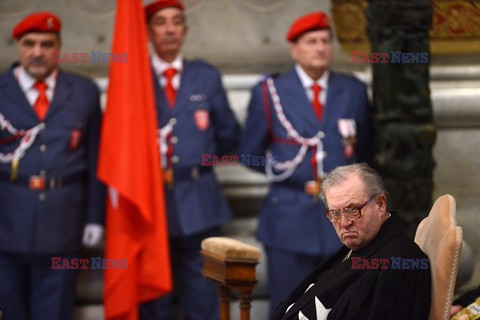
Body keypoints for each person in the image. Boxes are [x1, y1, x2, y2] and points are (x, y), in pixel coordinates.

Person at [238, 11, 373, 314]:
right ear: (294, 49)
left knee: (344, 307)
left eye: (326, 41)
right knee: (288, 306)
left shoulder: (353, 90)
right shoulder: (270, 92)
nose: (321, 47)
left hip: (344, 221)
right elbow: (249, 152)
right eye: (311, 41)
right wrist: (283, 170)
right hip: (288, 219)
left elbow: (365, 151)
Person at [0, 12, 105, 320]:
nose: (37, 51)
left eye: (47, 44)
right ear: (18, 46)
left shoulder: (84, 92)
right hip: (6, 221)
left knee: (56, 312)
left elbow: (96, 157)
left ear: (59, 47)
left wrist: (95, 219)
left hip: (64, 221)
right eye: (29, 43)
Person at [140, 1, 240, 319]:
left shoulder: (205, 76)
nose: (169, 29)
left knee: (202, 290)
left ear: (184, 29)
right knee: (153, 294)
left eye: (176, 22)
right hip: (149, 200)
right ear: (149, 31)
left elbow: (228, 134)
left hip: (198, 196)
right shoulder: (135, 77)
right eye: (160, 22)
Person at [272, 163, 431, 320]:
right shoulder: (358, 248)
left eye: (352, 210)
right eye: (335, 214)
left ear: (380, 204)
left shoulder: (400, 262)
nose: (344, 223)